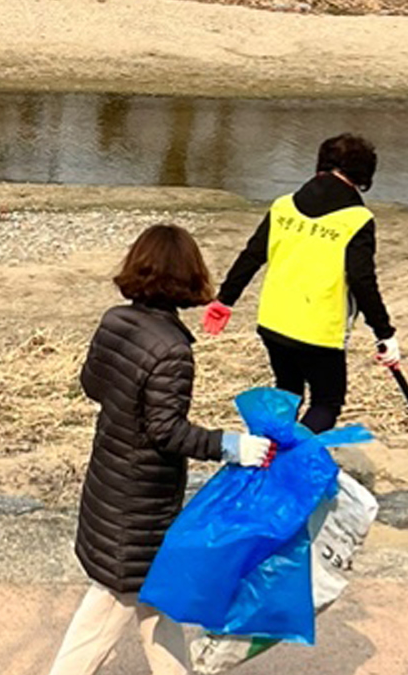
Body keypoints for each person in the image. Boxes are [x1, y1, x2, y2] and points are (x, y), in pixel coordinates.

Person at [49, 224, 275, 675]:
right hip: (141, 503)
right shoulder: (173, 350)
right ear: (188, 277)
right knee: (110, 608)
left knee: (155, 601)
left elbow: (93, 385)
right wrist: (233, 446)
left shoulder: (115, 320)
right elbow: (167, 432)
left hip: (109, 483)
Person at [203, 134, 399, 435]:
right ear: (363, 174)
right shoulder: (357, 219)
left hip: (273, 322)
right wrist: (384, 333)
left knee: (288, 391)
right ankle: (285, 456)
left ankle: (272, 452)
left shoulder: (284, 206)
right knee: (326, 403)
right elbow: (362, 280)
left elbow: (252, 255)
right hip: (319, 332)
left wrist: (224, 300)